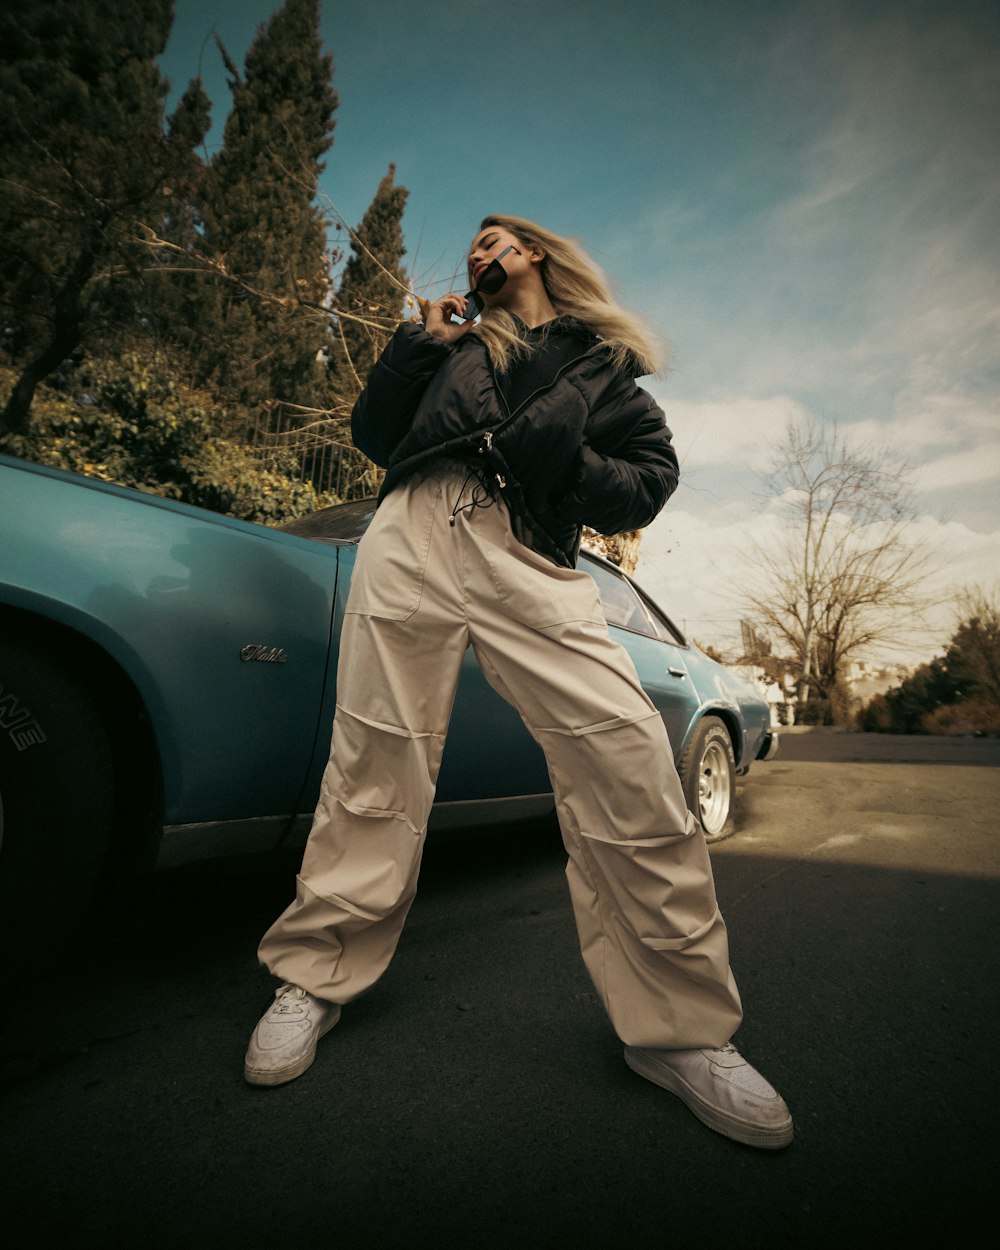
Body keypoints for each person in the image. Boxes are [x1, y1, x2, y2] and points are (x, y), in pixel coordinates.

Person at [244, 215, 793, 1150]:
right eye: (472, 242)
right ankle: (317, 974)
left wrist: (566, 466)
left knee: (626, 761)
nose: (477, 249)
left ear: (534, 251)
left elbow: (650, 476)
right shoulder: (449, 342)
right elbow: (376, 435)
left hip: (526, 550)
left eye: (495, 236)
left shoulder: (601, 364)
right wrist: (420, 345)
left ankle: (681, 1034)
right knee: (375, 758)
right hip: (411, 530)